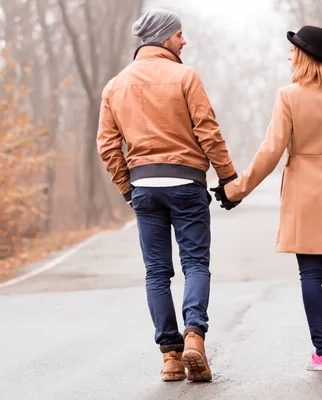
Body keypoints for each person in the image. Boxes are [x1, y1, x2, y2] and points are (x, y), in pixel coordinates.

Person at [97, 9, 240, 382]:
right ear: (163, 38)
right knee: (195, 263)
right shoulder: (185, 76)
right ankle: (194, 335)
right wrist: (228, 177)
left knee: (156, 272)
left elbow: (108, 146)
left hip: (144, 186)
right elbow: (208, 130)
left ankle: (170, 357)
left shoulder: (115, 86)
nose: (184, 41)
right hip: (186, 183)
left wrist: (128, 188)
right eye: (179, 35)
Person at [211, 25, 322, 371]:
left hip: (303, 195)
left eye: (293, 51)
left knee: (309, 274)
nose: (289, 56)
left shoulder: (289, 96)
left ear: (305, 57)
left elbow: (270, 151)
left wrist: (236, 189)